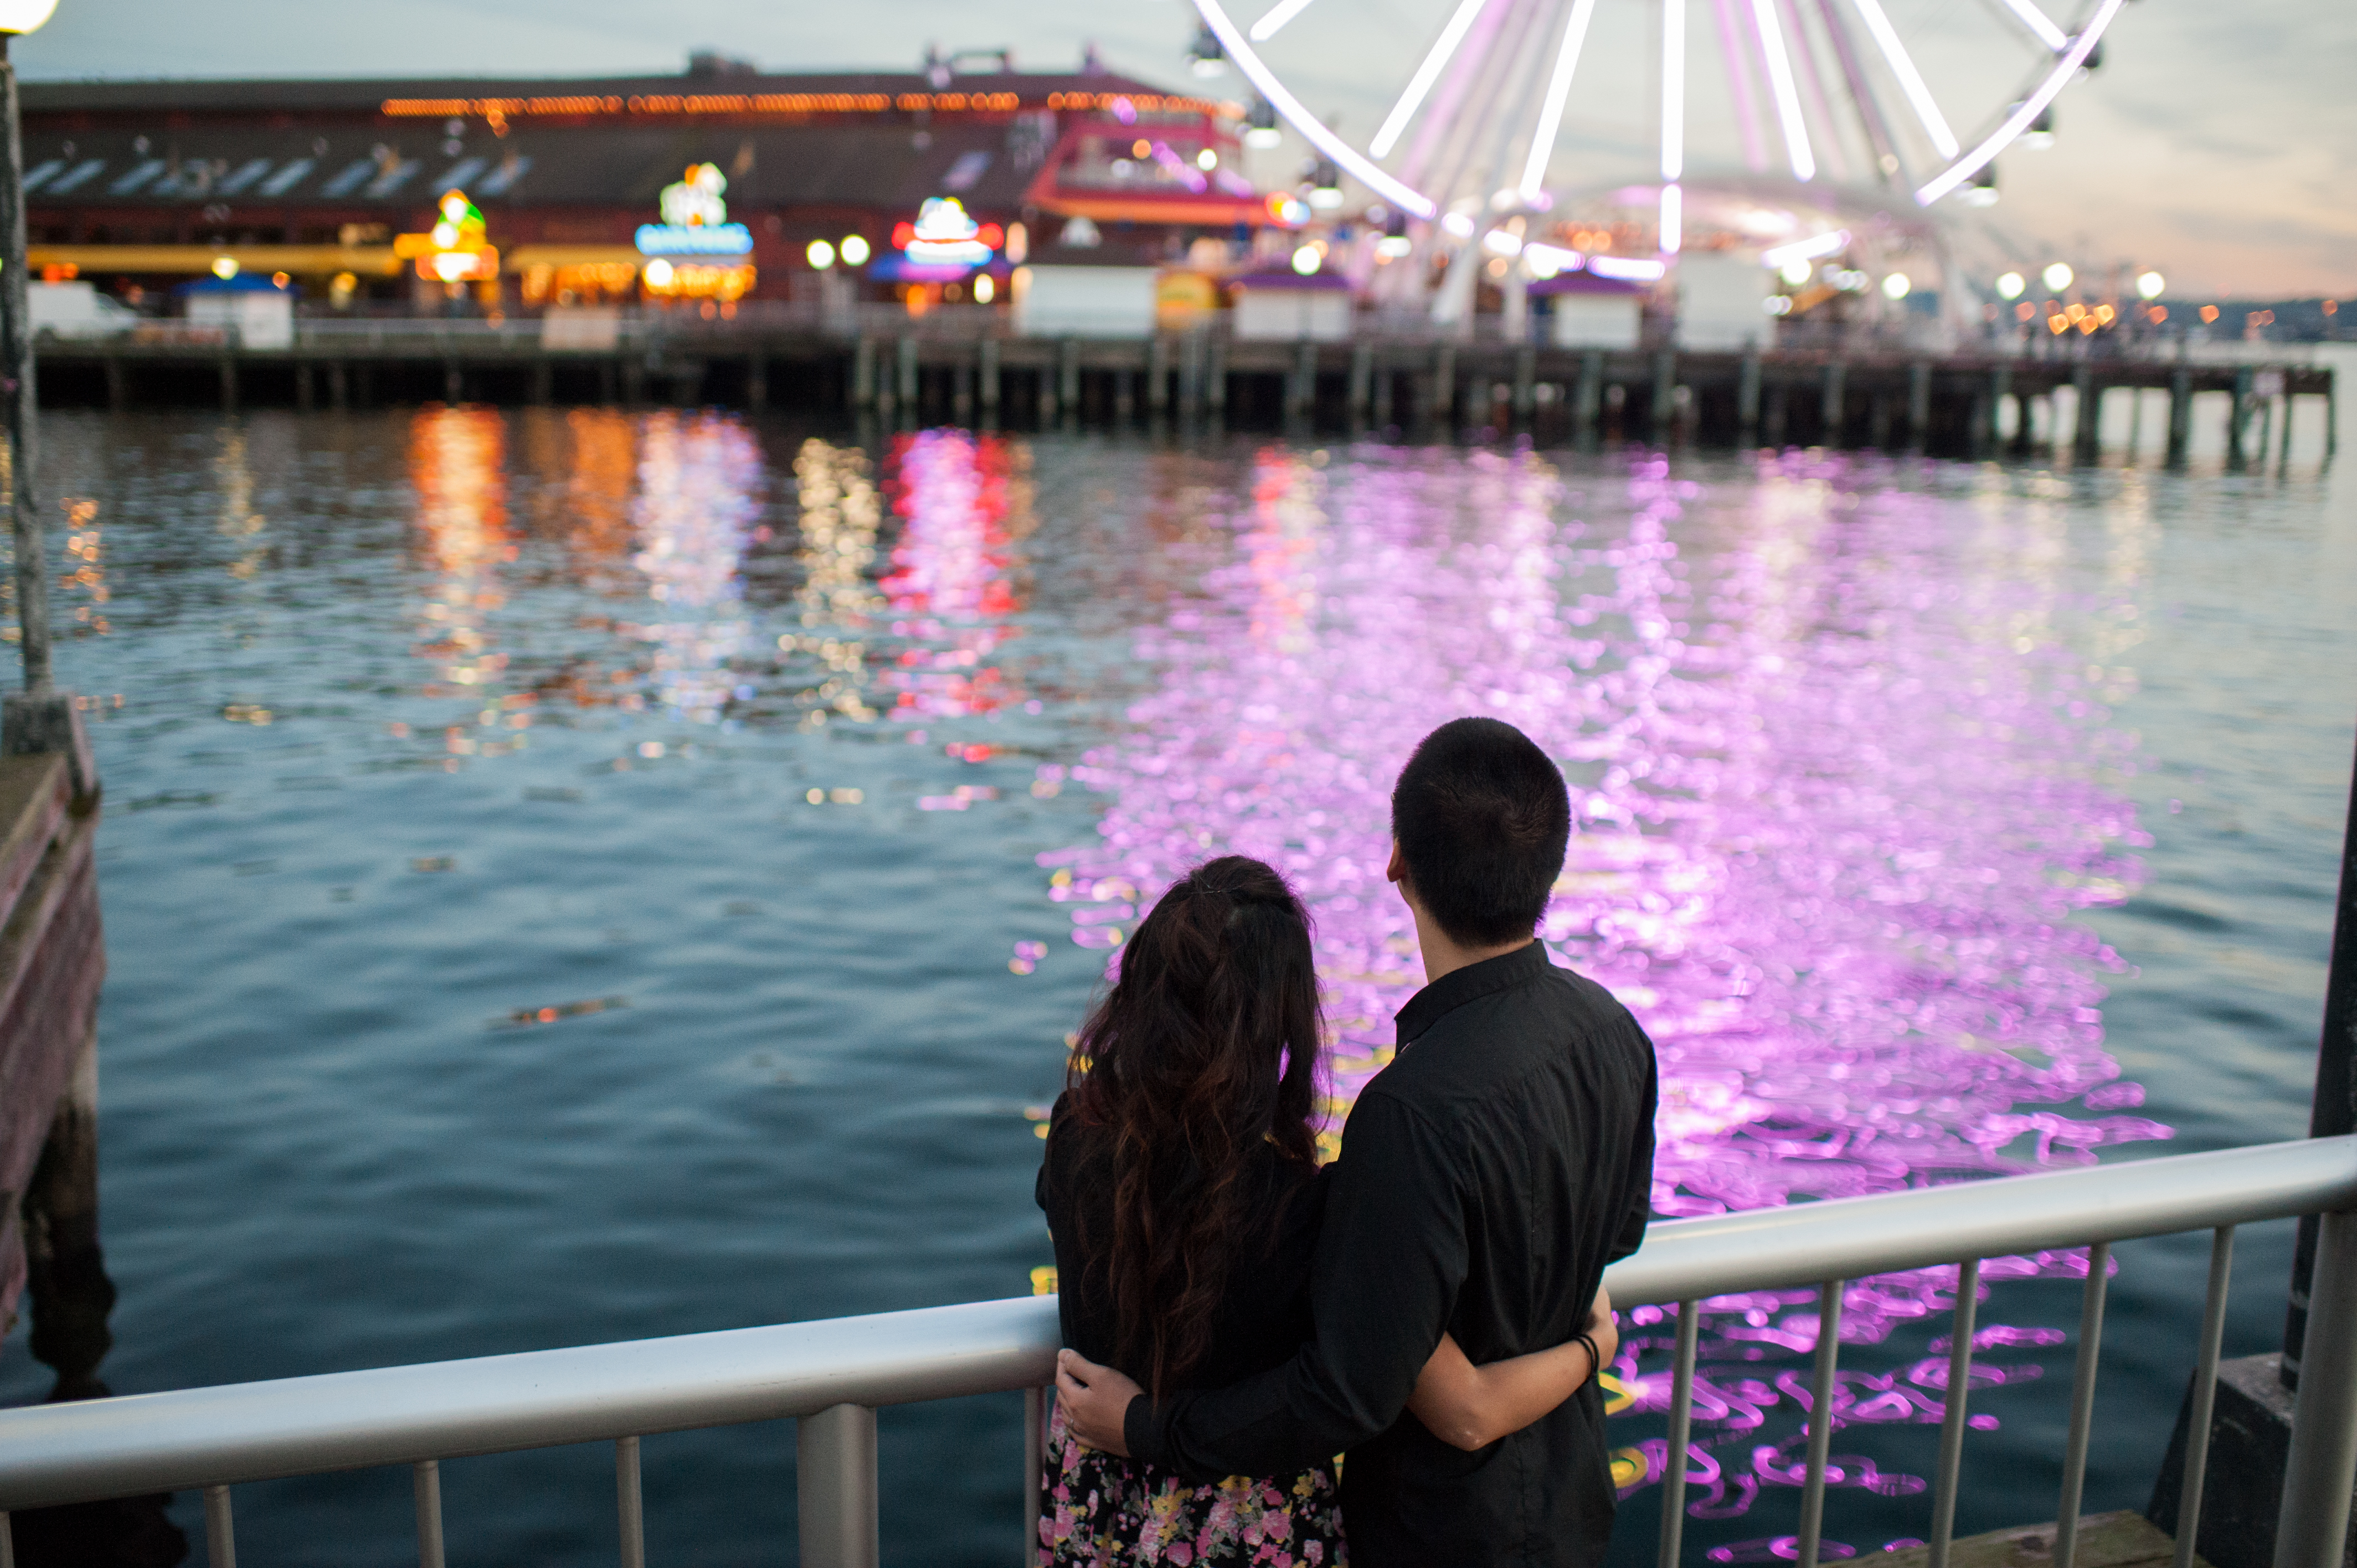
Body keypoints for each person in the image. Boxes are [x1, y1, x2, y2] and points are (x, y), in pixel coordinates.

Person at [1058, 718, 1660, 1567]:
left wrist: (1147, 1425)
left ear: (1398, 862)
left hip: (1439, 1531)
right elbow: (1619, 1235)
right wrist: (1586, 1344)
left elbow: (1354, 1387)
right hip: (1569, 1503)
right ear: (1550, 868)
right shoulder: (1614, 1034)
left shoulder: (1411, 1111)